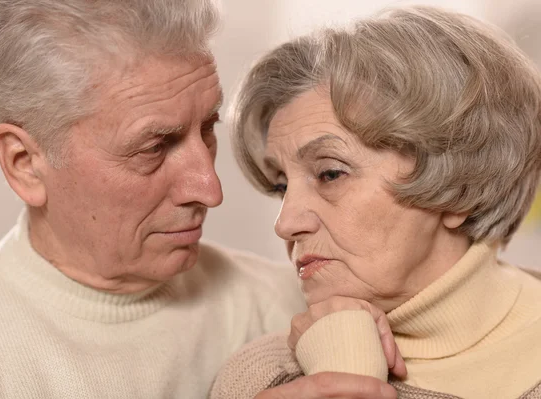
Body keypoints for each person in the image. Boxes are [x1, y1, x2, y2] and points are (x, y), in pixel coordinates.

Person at [0, 1, 403, 398]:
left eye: (207, 129)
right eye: (154, 147)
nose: (210, 189)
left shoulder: (299, 306)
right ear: (25, 162)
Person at [211, 5, 541, 399]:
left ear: (462, 188)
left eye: (330, 173)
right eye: (282, 186)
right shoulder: (264, 379)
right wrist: (344, 366)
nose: (285, 224)